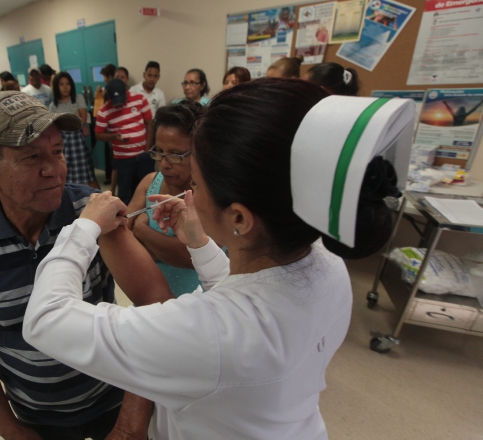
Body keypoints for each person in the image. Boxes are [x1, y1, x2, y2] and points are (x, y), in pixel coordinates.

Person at [23, 79, 400, 438]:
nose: (189, 193)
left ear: (239, 217)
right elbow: (250, 299)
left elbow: (45, 319)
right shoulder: (326, 265)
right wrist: (200, 242)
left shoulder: (207, 335)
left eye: (196, 185)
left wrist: (84, 228)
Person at [0, 91, 173, 439]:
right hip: (36, 416)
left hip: (113, 396)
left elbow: (156, 305)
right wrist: (8, 427)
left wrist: (131, 421)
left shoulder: (93, 213)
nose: (53, 170)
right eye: (31, 156)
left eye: (58, 152)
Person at [126, 101, 202, 296]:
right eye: (159, 152)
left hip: (195, 304)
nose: (164, 164)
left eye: (175, 155)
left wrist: (142, 231)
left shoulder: (208, 195)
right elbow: (121, 237)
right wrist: (167, 252)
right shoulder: (150, 184)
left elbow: (194, 258)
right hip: (149, 300)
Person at [95, 79, 155, 205]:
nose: (118, 105)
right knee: (125, 194)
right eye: (115, 102)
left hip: (143, 156)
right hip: (123, 160)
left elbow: (149, 123)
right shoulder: (104, 111)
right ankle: (126, 221)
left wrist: (147, 150)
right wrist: (114, 136)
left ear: (126, 91)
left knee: (150, 189)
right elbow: (98, 134)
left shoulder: (140, 100)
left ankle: (150, 217)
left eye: (121, 100)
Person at [49, 71, 100, 189]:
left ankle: (103, 198)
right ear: (57, 86)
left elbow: (82, 120)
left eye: (68, 84)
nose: (65, 87)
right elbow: (54, 126)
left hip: (77, 143)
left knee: (88, 175)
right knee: (66, 176)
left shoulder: (78, 98)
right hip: (62, 143)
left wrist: (65, 122)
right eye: (61, 84)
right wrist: (73, 118)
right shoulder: (53, 105)